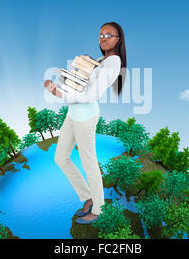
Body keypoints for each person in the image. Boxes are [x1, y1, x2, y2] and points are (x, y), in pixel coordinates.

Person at [43, 21, 127, 224]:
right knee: (60, 157)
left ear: (118, 39)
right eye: (100, 35)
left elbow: (91, 94)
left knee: (89, 163)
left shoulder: (113, 62)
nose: (103, 38)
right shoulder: (100, 60)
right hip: (73, 113)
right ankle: (88, 197)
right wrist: (68, 76)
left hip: (86, 116)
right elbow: (79, 86)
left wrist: (59, 94)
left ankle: (98, 209)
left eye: (108, 35)